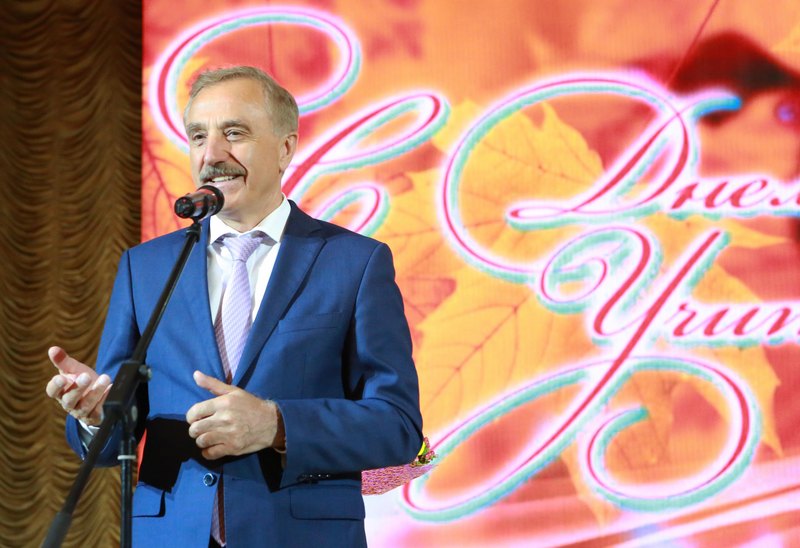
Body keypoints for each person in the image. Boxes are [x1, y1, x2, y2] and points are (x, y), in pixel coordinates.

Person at [45, 65, 423, 547]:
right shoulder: (147, 267)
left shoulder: (354, 262)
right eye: (198, 136)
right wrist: (98, 415)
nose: (212, 154)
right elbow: (113, 440)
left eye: (235, 133)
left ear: (285, 147)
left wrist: (277, 425)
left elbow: (397, 425)